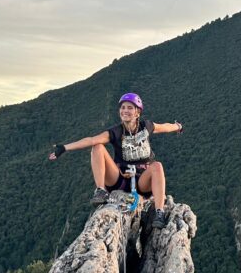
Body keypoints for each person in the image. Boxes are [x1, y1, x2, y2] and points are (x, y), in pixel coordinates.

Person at [48, 92, 183, 229]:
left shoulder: (146, 127)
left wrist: (178, 126)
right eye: (122, 107)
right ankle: (100, 191)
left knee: (157, 166)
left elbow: (165, 127)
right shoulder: (116, 132)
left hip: (143, 181)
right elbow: (92, 140)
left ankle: (159, 212)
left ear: (137, 112)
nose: (125, 110)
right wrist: (64, 148)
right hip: (121, 179)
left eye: (130, 108)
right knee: (98, 147)